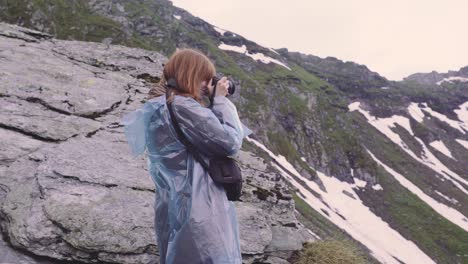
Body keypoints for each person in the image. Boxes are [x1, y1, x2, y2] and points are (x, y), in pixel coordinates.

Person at [120, 48, 251, 264]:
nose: (207, 85)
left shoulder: (158, 105)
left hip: (172, 201)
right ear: (191, 74)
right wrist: (220, 101)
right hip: (201, 206)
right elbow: (230, 142)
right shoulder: (184, 107)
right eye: (205, 78)